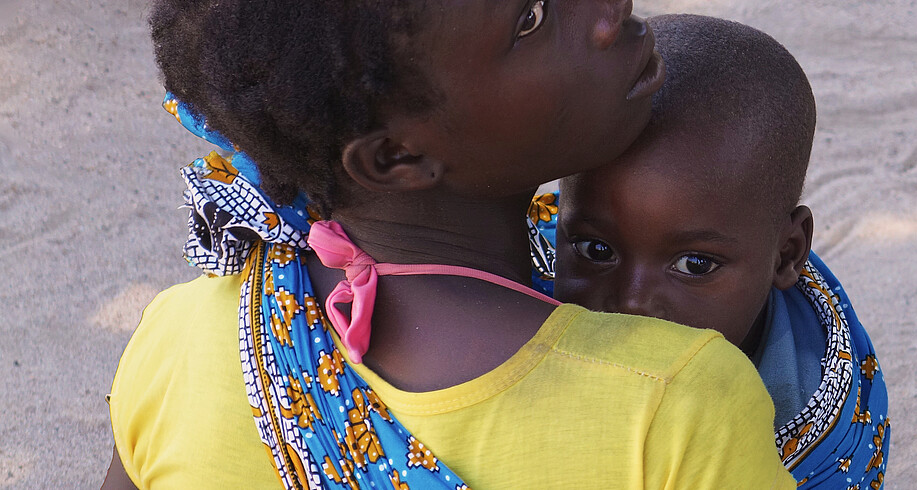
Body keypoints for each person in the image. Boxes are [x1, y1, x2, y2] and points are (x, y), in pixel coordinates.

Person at [104, 2, 794, 489]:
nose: (611, 8)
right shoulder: (675, 406)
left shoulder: (182, 338)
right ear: (397, 156)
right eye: (530, 17)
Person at [528, 15, 890, 490]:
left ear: (785, 255)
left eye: (694, 265)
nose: (632, 302)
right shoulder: (518, 281)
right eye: (597, 250)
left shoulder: (828, 422)